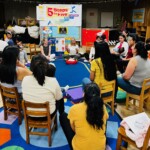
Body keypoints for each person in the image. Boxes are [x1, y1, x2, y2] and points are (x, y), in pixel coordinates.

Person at [60, 83, 109, 150]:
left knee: (62, 116)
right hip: (101, 148)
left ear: (83, 95)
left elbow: (73, 129)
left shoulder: (74, 109)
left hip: (79, 148)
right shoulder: (103, 107)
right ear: (99, 95)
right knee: (104, 118)